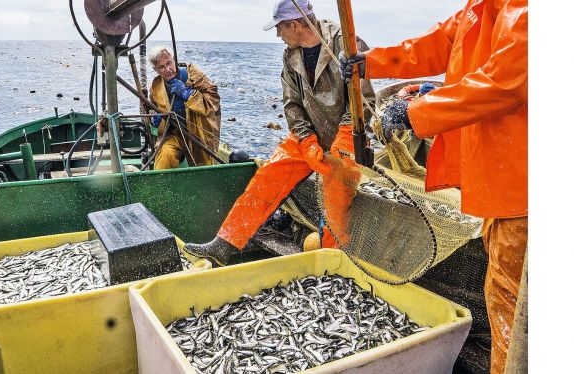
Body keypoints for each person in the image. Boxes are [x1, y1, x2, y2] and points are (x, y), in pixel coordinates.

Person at [340, 1, 527, 372]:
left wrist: (416, 112)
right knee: (504, 296)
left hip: (521, 190)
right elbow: (438, 42)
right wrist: (371, 62)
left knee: (514, 309)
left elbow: (507, 80)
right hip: (503, 191)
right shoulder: (484, 5)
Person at [184, 0, 376, 265]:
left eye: (279, 28)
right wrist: (306, 139)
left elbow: (364, 101)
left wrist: (343, 138)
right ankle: (225, 243)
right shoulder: (291, 55)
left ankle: (333, 261)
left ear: (295, 25)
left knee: (336, 198)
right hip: (309, 135)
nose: (277, 35)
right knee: (268, 174)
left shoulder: (347, 44)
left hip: (347, 136)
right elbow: (292, 104)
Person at [148, 45, 221, 169]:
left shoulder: (194, 75)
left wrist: (188, 94)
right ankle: (162, 186)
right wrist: (155, 119)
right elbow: (151, 109)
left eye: (169, 63)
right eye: (161, 67)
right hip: (176, 134)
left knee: (204, 168)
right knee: (165, 154)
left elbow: (213, 102)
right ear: (156, 70)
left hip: (200, 135)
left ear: (174, 59)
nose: (168, 69)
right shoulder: (156, 86)